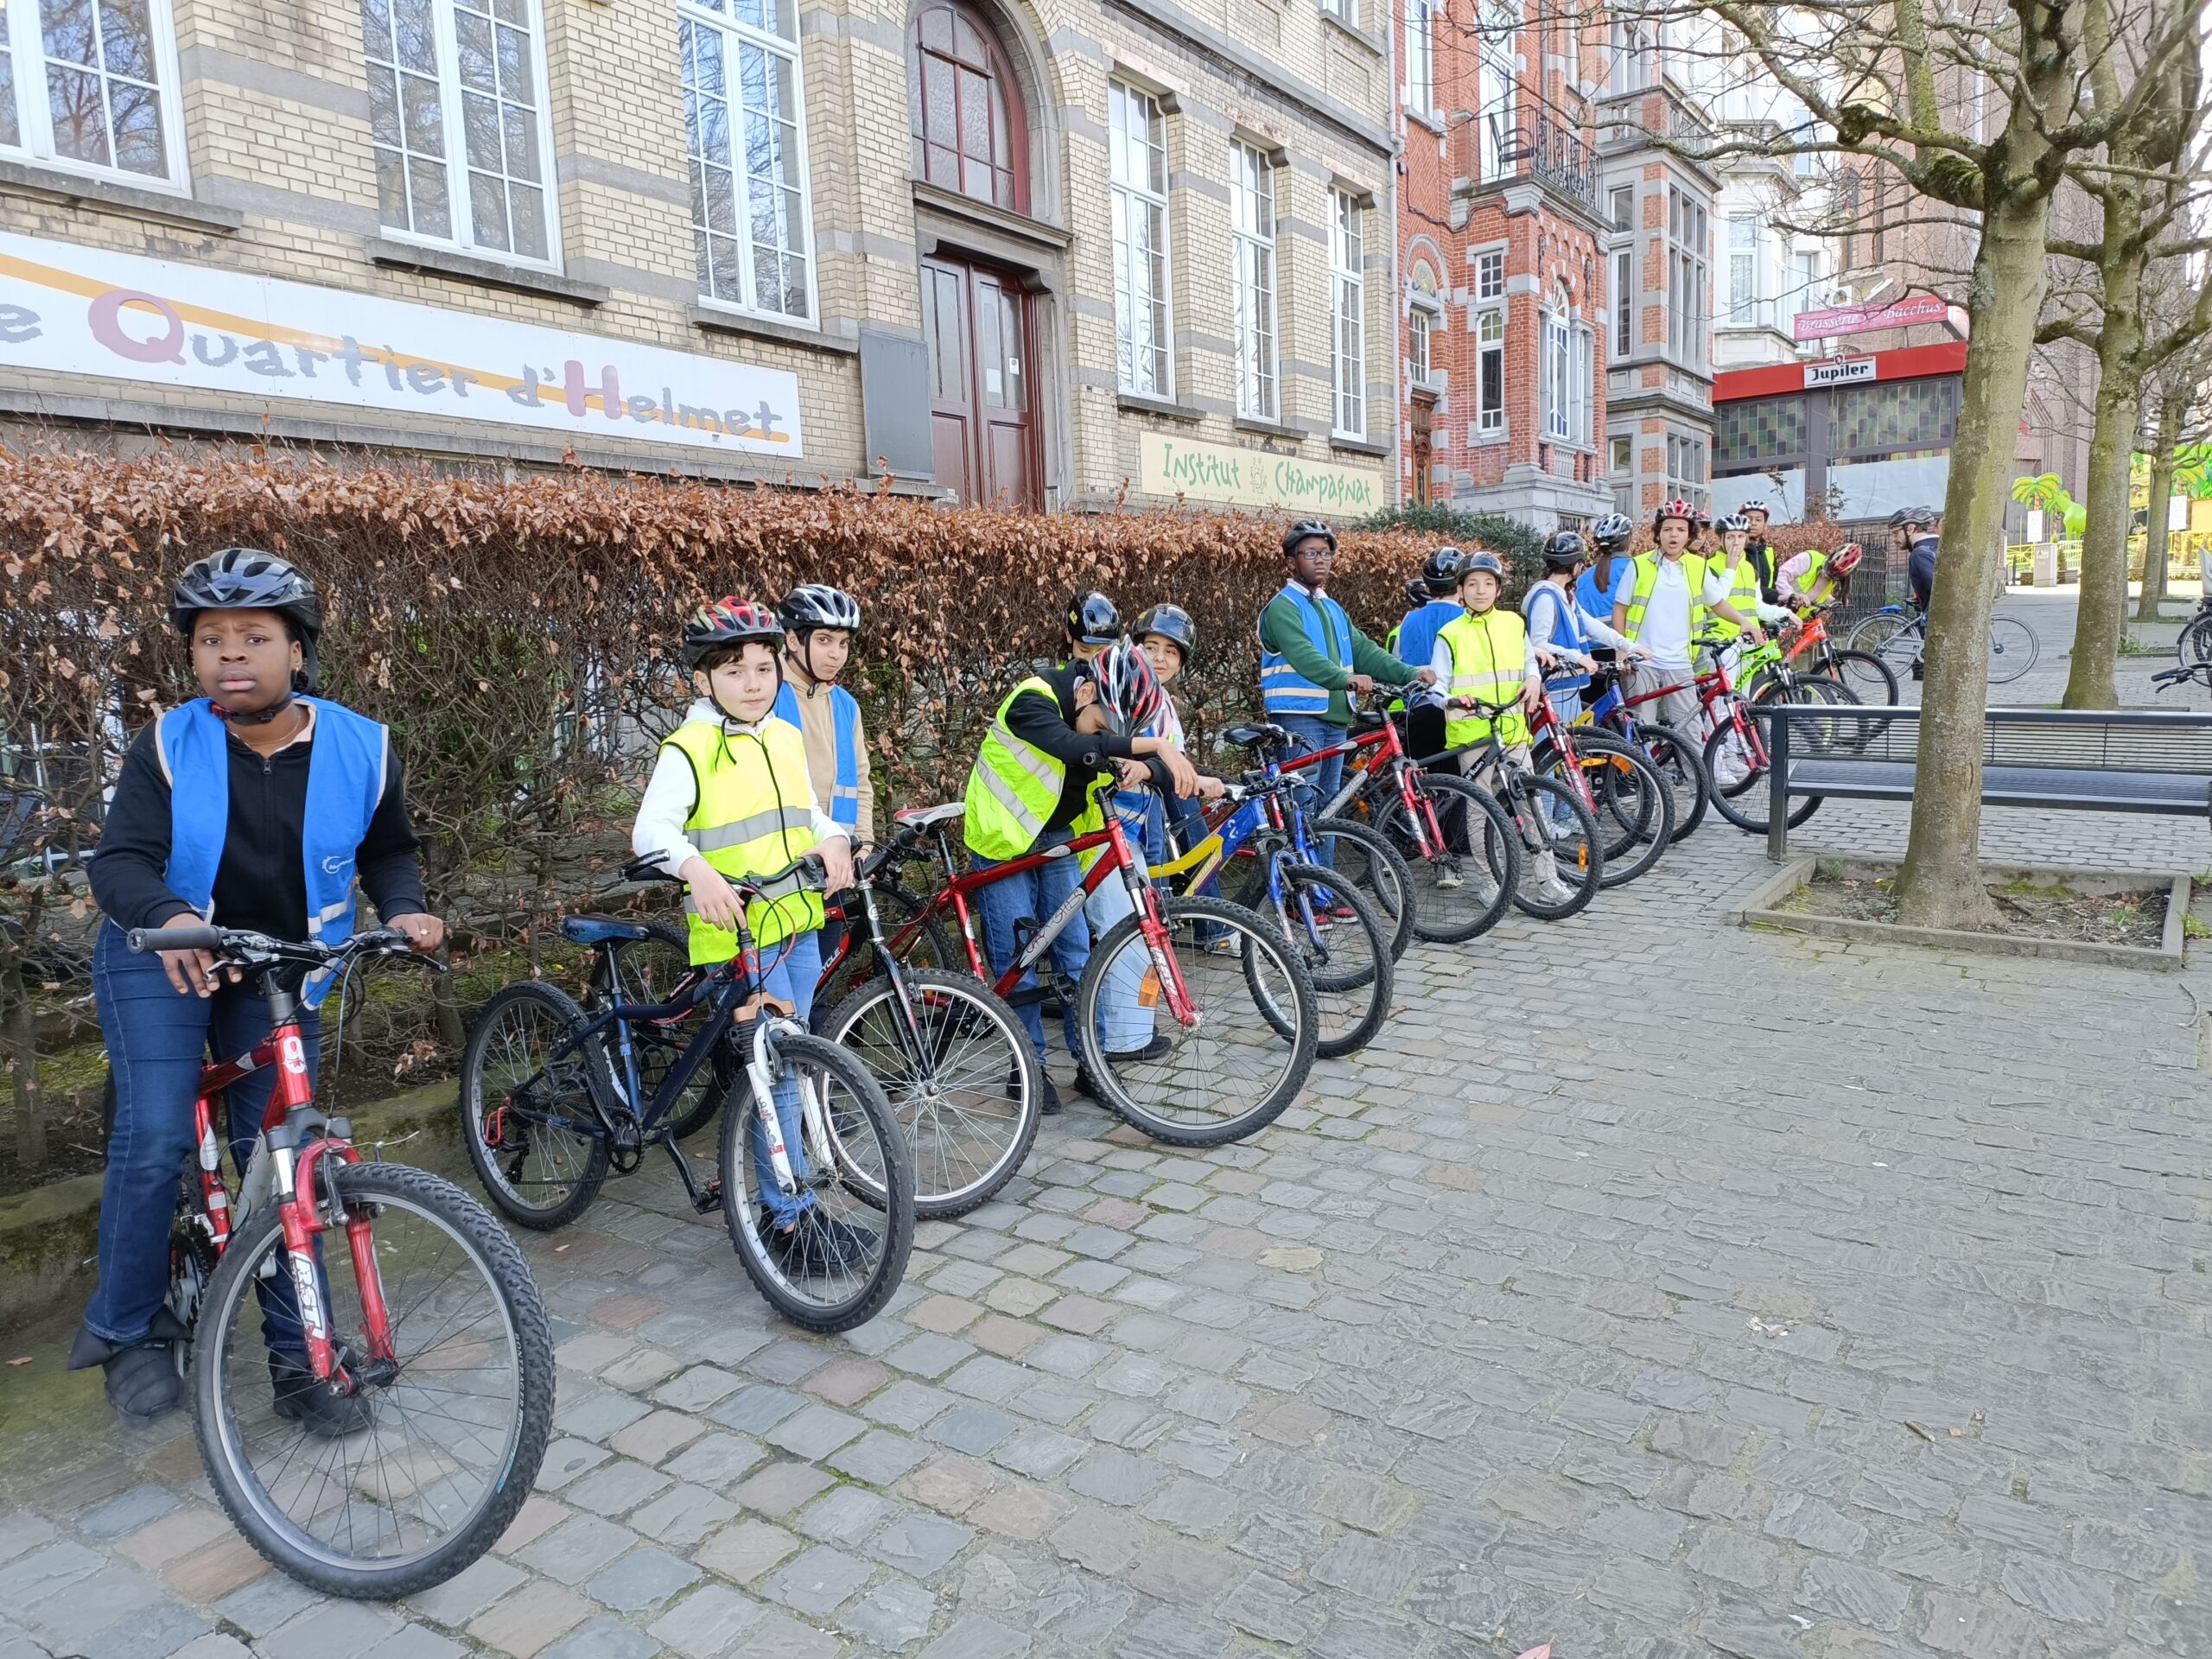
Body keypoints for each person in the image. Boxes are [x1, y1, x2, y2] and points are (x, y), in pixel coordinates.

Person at [73, 549, 444, 1428]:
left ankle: (298, 1358)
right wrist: (167, 916)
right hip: (164, 948)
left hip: (279, 961)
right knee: (156, 1134)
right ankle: (126, 1330)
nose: (230, 654)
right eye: (211, 640)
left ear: (298, 651)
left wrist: (405, 908)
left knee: (282, 1155)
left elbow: (389, 849)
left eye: (253, 637)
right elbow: (119, 861)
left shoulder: (361, 746)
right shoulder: (169, 744)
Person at [631, 597, 861, 1265]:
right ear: (703, 680)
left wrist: (835, 840)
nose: (754, 683)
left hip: (796, 922)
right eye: (734, 671)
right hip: (740, 939)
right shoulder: (691, 747)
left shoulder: (781, 735)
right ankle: (786, 1220)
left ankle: (793, 1200)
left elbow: (809, 813)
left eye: (763, 668)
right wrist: (694, 869)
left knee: (793, 1062)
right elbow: (651, 831)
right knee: (777, 1074)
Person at [961, 640, 1204, 1110]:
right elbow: (1075, 746)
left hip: (1060, 838)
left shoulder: (1096, 710)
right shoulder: (1032, 700)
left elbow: (1131, 758)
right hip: (1003, 840)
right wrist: (1154, 745)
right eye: (1103, 726)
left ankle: (1091, 1063)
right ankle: (1027, 1071)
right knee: (1019, 960)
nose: (1107, 738)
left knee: (1076, 954)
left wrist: (1182, 771)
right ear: (1086, 692)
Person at [1259, 521, 1433, 840]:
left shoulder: (1331, 607)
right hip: (1299, 717)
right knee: (1304, 808)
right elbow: (1303, 655)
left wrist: (1410, 673)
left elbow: (1364, 650)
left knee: (1330, 810)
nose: (1320, 560)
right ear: (1292, 560)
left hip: (1336, 718)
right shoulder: (1283, 606)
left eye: (1326, 553)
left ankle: (1324, 874)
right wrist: (1345, 678)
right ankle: (1304, 873)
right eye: (1310, 553)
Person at [1431, 552, 1575, 906]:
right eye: (1472, 584)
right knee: (1479, 811)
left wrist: (1533, 679)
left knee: (1531, 804)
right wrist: (1451, 701)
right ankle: (1487, 880)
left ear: (1498, 590)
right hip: (1473, 735)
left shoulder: (1514, 623)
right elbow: (1436, 688)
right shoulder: (1449, 634)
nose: (1480, 590)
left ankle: (1548, 878)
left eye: (1488, 584)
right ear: (1460, 591)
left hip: (1512, 729)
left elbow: (1528, 662)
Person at [1609, 500, 1766, 730]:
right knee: (1642, 731)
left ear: (1689, 535)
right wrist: (1622, 650)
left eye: (1681, 530)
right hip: (1642, 663)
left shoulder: (1698, 566)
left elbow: (1717, 603)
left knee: (1691, 733)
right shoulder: (1638, 565)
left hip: (1681, 663)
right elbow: (1620, 609)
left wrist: (1744, 622)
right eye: (1667, 529)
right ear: (1658, 534)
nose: (1674, 535)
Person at [772, 585, 874, 845]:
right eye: (824, 640)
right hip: (783, 856)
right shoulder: (765, 697)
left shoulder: (846, 705)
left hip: (840, 854)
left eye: (843, 643)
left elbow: (860, 782)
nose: (836, 654)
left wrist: (863, 843)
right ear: (792, 640)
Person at [1522, 531, 1649, 715]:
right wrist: (1577, 657)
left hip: (1568, 683)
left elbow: (1593, 626)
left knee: (1575, 731)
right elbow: (1538, 645)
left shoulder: (1566, 596)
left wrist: (1627, 645)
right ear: (1576, 565)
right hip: (1554, 686)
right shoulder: (1546, 598)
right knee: (1561, 734)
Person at [1392, 548, 1469, 761]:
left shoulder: (1408, 621)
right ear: (1461, 586)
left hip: (1419, 708)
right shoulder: (1467, 618)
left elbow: (1397, 661)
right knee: (1456, 776)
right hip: (1457, 708)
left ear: (1427, 587)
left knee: (1422, 775)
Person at [1707, 514, 1794, 653]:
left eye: (1741, 536)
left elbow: (1757, 607)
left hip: (1750, 640)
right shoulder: (1709, 566)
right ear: (1720, 539)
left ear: (1746, 538)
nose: (1736, 542)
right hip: (1722, 643)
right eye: (1730, 537)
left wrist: (1787, 613)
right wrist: (1730, 569)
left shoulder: (1749, 569)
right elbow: (1716, 601)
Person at [1576, 514, 1638, 623]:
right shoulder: (1636, 569)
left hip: (1589, 634)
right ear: (1628, 540)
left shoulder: (1582, 579)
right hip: (1623, 632)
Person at [1777, 540, 1866, 612]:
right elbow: (1781, 575)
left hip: (1790, 619)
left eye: (1831, 576)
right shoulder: (1809, 559)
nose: (1827, 576)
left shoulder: (1832, 581)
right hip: (1776, 609)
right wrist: (1791, 595)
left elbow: (1818, 595)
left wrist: (1832, 601)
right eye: (1827, 570)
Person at [1063, 590, 1122, 664]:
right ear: (1069, 635)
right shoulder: (1059, 672)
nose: (1091, 661)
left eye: (1101, 653)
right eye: (1084, 651)